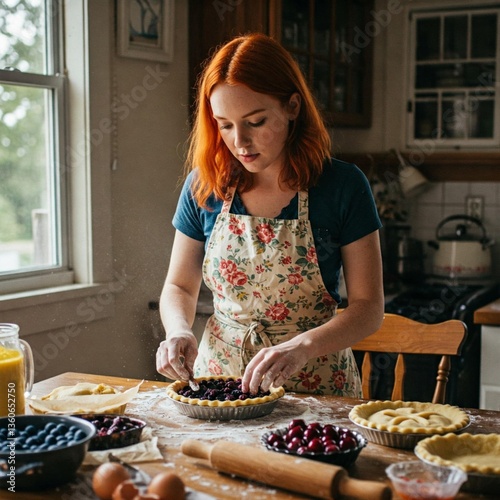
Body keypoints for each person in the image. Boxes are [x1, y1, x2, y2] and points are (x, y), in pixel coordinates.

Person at [156, 33, 384, 397]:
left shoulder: (342, 186)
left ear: (293, 107)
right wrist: (178, 330)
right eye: (225, 124)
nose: (239, 142)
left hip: (316, 382)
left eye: (256, 122)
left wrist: (303, 347)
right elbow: (179, 286)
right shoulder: (205, 185)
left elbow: (369, 308)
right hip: (220, 380)